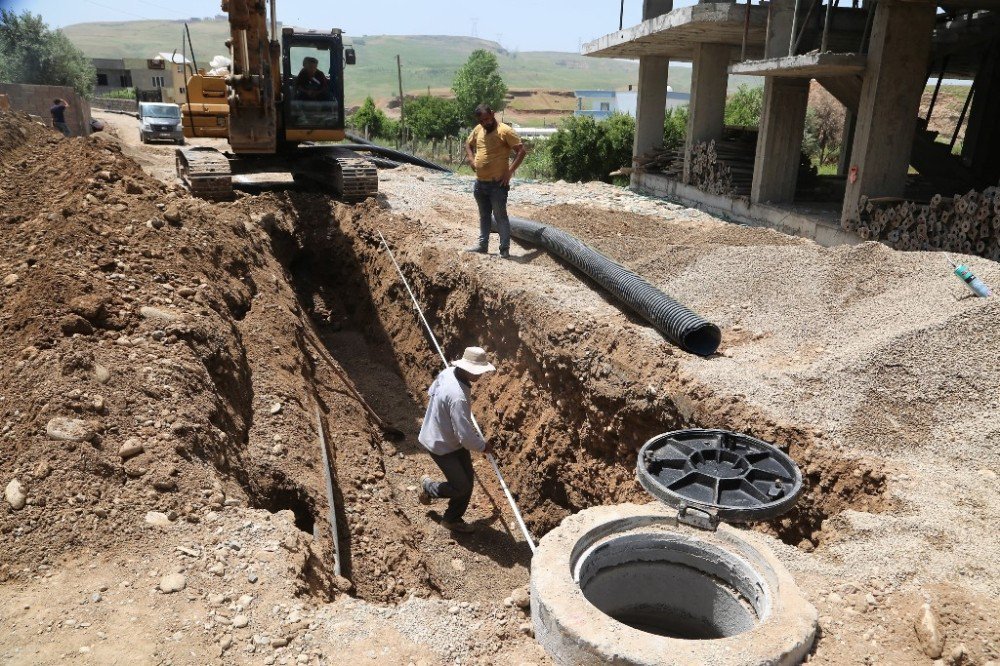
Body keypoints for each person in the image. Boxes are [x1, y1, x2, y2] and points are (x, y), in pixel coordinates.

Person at [417, 346, 496, 533]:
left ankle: (452, 519)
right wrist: (483, 447)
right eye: (480, 371)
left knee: (467, 483)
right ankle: (429, 488)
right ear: (469, 369)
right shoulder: (458, 397)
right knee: (461, 486)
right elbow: (466, 437)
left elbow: (431, 392)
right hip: (441, 444)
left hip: (446, 436)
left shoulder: (449, 372)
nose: (481, 375)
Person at [465, 104, 526, 259]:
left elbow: (521, 151)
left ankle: (504, 249)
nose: (485, 122)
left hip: (497, 184)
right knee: (484, 215)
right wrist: (471, 160)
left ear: (492, 114)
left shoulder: (504, 131)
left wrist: (509, 172)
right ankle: (482, 245)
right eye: (482, 121)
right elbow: (468, 144)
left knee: (500, 217)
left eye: (487, 119)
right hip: (480, 183)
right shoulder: (478, 129)